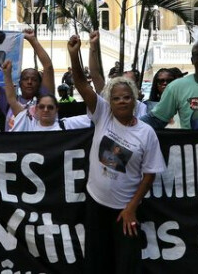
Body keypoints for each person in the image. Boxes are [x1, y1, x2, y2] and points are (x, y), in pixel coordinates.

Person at [67, 34, 165, 274]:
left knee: (126, 264)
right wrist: (73, 55)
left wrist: (132, 207)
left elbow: (150, 175)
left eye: (126, 97)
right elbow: (82, 84)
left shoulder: (147, 133)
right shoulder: (102, 115)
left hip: (125, 210)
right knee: (97, 262)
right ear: (109, 102)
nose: (121, 101)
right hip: (96, 203)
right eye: (116, 98)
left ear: (135, 100)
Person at [1, 60, 60, 131]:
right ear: (20, 83)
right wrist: (6, 73)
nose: (29, 82)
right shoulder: (9, 102)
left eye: (34, 80)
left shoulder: (45, 102)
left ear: (39, 84)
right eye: (25, 79)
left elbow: (48, 67)